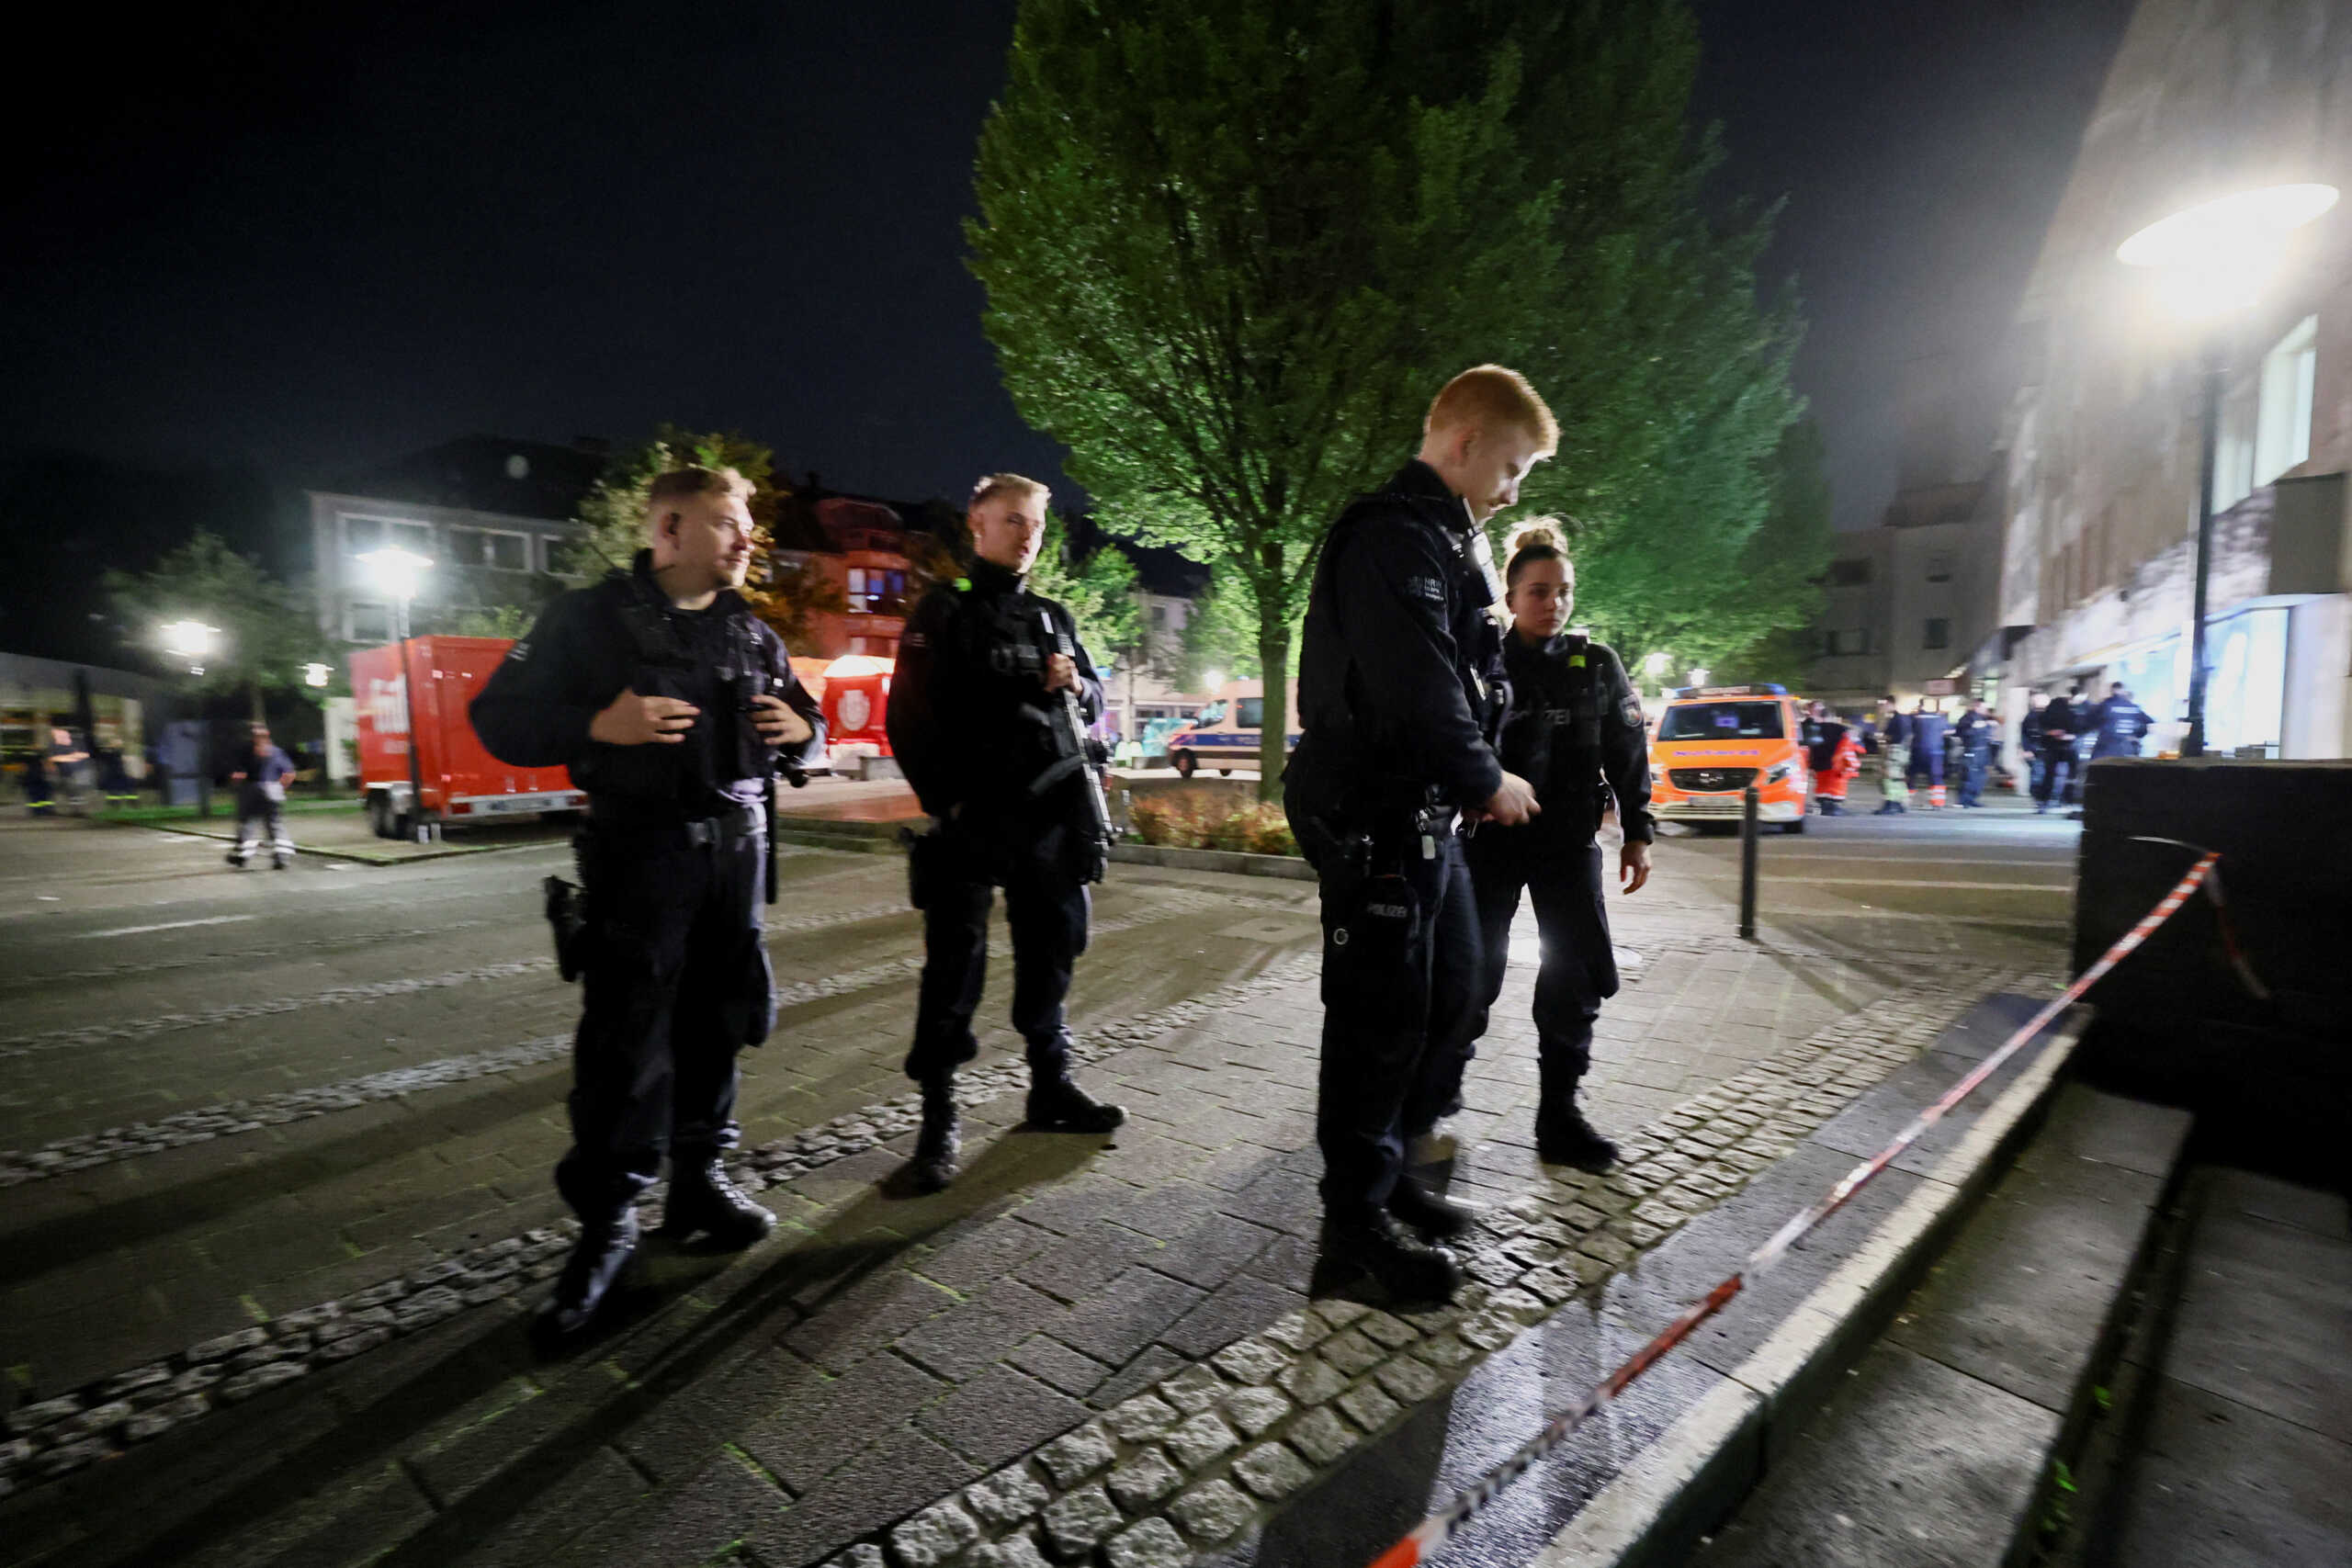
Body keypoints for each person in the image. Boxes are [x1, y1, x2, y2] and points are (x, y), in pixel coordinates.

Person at [470, 464, 825, 1342]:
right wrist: (599, 724)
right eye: (727, 524)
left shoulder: (752, 631)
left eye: (746, 526)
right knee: (627, 1042)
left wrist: (805, 731)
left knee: (720, 1022)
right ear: (669, 529)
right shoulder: (585, 619)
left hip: (735, 862)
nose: (747, 541)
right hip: (643, 859)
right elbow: (498, 717)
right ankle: (608, 1227)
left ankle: (700, 1183)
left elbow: (805, 717)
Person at [1283, 364, 1551, 1303]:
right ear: (1465, 442)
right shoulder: (1390, 539)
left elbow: (1476, 679)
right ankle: (1348, 1236)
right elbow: (1416, 684)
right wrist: (1485, 776)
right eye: (1512, 465)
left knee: (1440, 1000)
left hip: (1422, 819)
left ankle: (1389, 1179)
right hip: (1374, 817)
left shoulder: (1450, 546)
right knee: (1375, 1022)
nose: (1516, 490)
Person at [886, 473, 1128, 1194]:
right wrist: (948, 802)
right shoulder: (944, 611)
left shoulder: (1054, 616)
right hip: (974, 819)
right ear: (979, 524)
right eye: (1015, 521)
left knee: (1052, 952)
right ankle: (938, 1121)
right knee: (954, 971)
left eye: (1037, 526)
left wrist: (1079, 686)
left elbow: (1096, 700)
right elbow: (908, 717)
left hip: (1051, 820)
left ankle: (1049, 1088)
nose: (1028, 536)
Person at [1453, 523, 1652, 1172]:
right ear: (1510, 596)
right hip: (1492, 842)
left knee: (1573, 980)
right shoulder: (1480, 663)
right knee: (1468, 972)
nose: (1553, 602)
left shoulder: (1596, 666)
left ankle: (1559, 1117)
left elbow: (1627, 751)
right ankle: (1433, 1097)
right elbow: (1449, 738)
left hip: (1568, 845)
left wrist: (1638, 830)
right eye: (1538, 590)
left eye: (1563, 590)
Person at [226, 723, 299, 868]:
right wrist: (279, 787)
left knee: (247, 824)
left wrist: (236, 784)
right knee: (275, 824)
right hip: (273, 790)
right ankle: (282, 859)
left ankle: (242, 856)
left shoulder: (247, 752)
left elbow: (238, 775)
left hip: (251, 790)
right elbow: (289, 774)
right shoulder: (277, 752)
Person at [2034, 686, 2081, 814]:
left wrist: (2051, 733)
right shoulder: (2071, 715)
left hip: (2050, 749)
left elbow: (2040, 731)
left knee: (2049, 775)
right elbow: (2076, 733)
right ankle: (2065, 800)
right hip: (2068, 749)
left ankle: (2043, 801)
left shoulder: (2045, 716)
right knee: (2069, 775)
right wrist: (2065, 736)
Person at [2089, 682, 2152, 760]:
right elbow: (2149, 722)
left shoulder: (2106, 705)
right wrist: (2138, 735)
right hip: (2127, 747)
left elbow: (2090, 721)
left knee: (2100, 767)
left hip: (2106, 745)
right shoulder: (2134, 708)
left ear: (2112, 690)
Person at [1907, 699, 1951, 809]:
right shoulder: (1941, 719)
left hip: (1917, 750)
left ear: (1921, 706)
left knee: (1911, 776)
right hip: (1935, 752)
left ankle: (1905, 800)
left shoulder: (1915, 718)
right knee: (1936, 777)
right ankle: (1937, 803)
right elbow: (1949, 731)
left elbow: (1908, 732)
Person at [1873, 696, 1912, 815]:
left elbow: (1897, 736)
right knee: (1897, 777)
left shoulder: (1897, 718)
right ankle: (1900, 803)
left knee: (1888, 776)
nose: (1882, 707)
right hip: (1901, 751)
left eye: (1884, 704)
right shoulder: (1898, 718)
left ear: (1891, 704)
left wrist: (1883, 737)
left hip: (1896, 750)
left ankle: (1890, 803)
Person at [1815, 721, 1864, 814]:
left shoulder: (1832, 737)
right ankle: (1833, 808)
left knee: (1824, 786)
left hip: (1825, 765)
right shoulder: (1846, 741)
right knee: (1835, 787)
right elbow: (1848, 756)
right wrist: (1853, 767)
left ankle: (1825, 805)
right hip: (1839, 770)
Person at [1954, 697, 1996, 807]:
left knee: (1981, 776)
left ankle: (1972, 798)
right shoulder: (1967, 718)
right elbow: (1961, 732)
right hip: (1971, 750)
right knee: (1970, 775)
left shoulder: (1983, 719)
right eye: (1984, 708)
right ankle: (1964, 799)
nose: (1986, 710)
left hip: (1983, 751)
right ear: (1977, 707)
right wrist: (1975, 728)